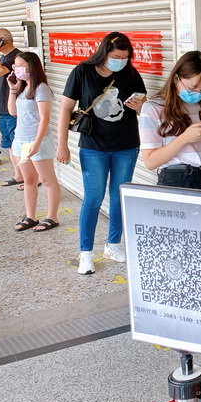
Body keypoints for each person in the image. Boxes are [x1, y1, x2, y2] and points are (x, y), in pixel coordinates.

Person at [56, 33, 146, 275]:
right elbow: (65, 109)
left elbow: (142, 103)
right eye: (116, 57)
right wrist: (61, 144)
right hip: (93, 146)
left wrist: (141, 107)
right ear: (104, 52)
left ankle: (113, 244)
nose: (121, 61)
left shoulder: (130, 73)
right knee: (93, 198)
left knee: (119, 197)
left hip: (126, 144)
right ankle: (85, 253)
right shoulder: (82, 71)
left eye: (125, 57)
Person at [139, 51, 201, 190]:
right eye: (192, 87)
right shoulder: (153, 107)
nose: (198, 93)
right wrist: (184, 138)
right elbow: (150, 162)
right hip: (177, 179)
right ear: (176, 79)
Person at [6, 52, 61, 232]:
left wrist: (37, 143)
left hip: (38, 140)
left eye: (19, 65)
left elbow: (44, 119)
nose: (16, 69)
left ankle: (52, 217)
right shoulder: (22, 87)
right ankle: (30, 216)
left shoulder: (41, 88)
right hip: (21, 140)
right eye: (15, 66)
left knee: (47, 179)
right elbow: (13, 111)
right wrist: (13, 89)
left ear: (31, 66)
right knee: (29, 180)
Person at [0, 29, 23, 183]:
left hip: (13, 109)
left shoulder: (16, 57)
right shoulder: (5, 57)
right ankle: (18, 175)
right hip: (3, 107)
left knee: (18, 145)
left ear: (1, 41)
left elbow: (0, 72)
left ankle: (29, 177)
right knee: (9, 144)